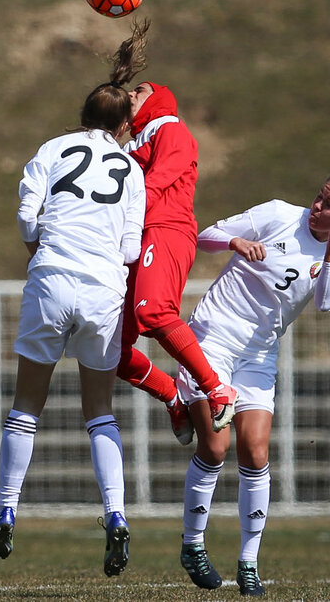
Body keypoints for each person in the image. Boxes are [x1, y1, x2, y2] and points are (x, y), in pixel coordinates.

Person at [176, 172, 330, 596]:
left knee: (255, 452)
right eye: (318, 196)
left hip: (259, 354)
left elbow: (326, 302)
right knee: (216, 446)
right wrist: (234, 243)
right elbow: (203, 236)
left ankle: (249, 563)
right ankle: (193, 545)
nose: (316, 206)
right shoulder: (277, 214)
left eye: (328, 204)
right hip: (214, 337)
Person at [0, 26, 148, 578]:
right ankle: (117, 516)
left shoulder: (53, 148)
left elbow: (28, 213)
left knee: (25, 407)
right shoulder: (132, 170)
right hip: (103, 287)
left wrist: (41, 248)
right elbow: (130, 247)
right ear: (125, 125)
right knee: (99, 412)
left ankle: (8, 508)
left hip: (53, 277)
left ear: (84, 115)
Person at [114, 75, 237, 445]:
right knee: (106, 347)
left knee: (153, 313)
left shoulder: (170, 127)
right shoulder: (127, 143)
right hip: (133, 237)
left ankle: (216, 389)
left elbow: (155, 183)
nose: (132, 94)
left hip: (164, 228)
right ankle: (172, 395)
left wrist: (117, 216)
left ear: (160, 98)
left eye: (141, 90)